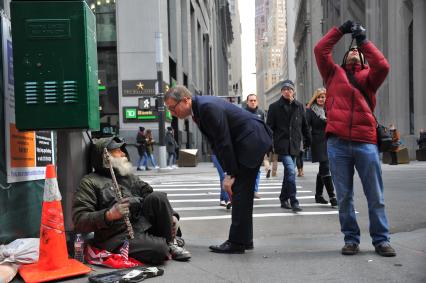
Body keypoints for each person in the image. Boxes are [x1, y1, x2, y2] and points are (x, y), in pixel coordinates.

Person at [314, 20, 396, 257]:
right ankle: (351, 239)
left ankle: (381, 240)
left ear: (362, 60)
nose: (353, 54)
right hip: (337, 144)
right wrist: (341, 30)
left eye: (357, 53)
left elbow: (383, 65)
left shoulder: (370, 77)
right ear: (343, 60)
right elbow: (320, 50)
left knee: (375, 196)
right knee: (345, 196)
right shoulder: (332, 74)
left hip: (366, 143)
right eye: (349, 52)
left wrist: (363, 41)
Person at [164, 85, 272, 254]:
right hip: (249, 140)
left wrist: (230, 174)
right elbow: (218, 142)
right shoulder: (200, 108)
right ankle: (245, 239)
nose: (172, 113)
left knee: (239, 190)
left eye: (172, 107)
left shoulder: (206, 108)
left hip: (250, 141)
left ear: (185, 100)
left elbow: (223, 141)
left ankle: (237, 242)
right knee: (244, 192)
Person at [72, 137, 191, 264]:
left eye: (122, 150)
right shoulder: (90, 182)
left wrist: (172, 216)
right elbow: (79, 220)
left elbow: (150, 195)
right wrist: (109, 215)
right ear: (105, 157)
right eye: (118, 151)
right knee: (159, 250)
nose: (123, 153)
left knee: (158, 197)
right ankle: (165, 244)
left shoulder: (128, 177)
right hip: (116, 236)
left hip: (140, 225)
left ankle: (170, 243)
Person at [266, 79, 311, 212]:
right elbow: (269, 128)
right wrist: (269, 145)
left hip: (295, 145)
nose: (287, 91)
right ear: (281, 91)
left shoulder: (299, 106)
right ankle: (294, 200)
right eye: (285, 89)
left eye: (290, 89)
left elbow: (305, 126)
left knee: (288, 174)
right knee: (291, 170)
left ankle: (283, 198)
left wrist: (308, 141)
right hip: (282, 145)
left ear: (293, 91)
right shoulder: (274, 107)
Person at [306, 88, 337, 207]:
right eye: (319, 97)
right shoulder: (310, 110)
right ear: (315, 98)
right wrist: (307, 141)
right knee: (325, 166)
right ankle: (333, 197)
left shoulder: (330, 108)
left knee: (323, 169)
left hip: (330, 141)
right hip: (318, 141)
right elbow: (306, 127)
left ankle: (318, 195)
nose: (321, 99)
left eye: (323, 97)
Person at [244, 93, 265, 198]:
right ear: (247, 102)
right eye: (250, 100)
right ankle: (247, 189)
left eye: (254, 100)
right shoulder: (242, 112)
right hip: (245, 145)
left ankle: (254, 190)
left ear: (257, 101)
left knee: (257, 169)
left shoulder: (261, 113)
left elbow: (264, 128)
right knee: (246, 169)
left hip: (258, 145)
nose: (252, 102)